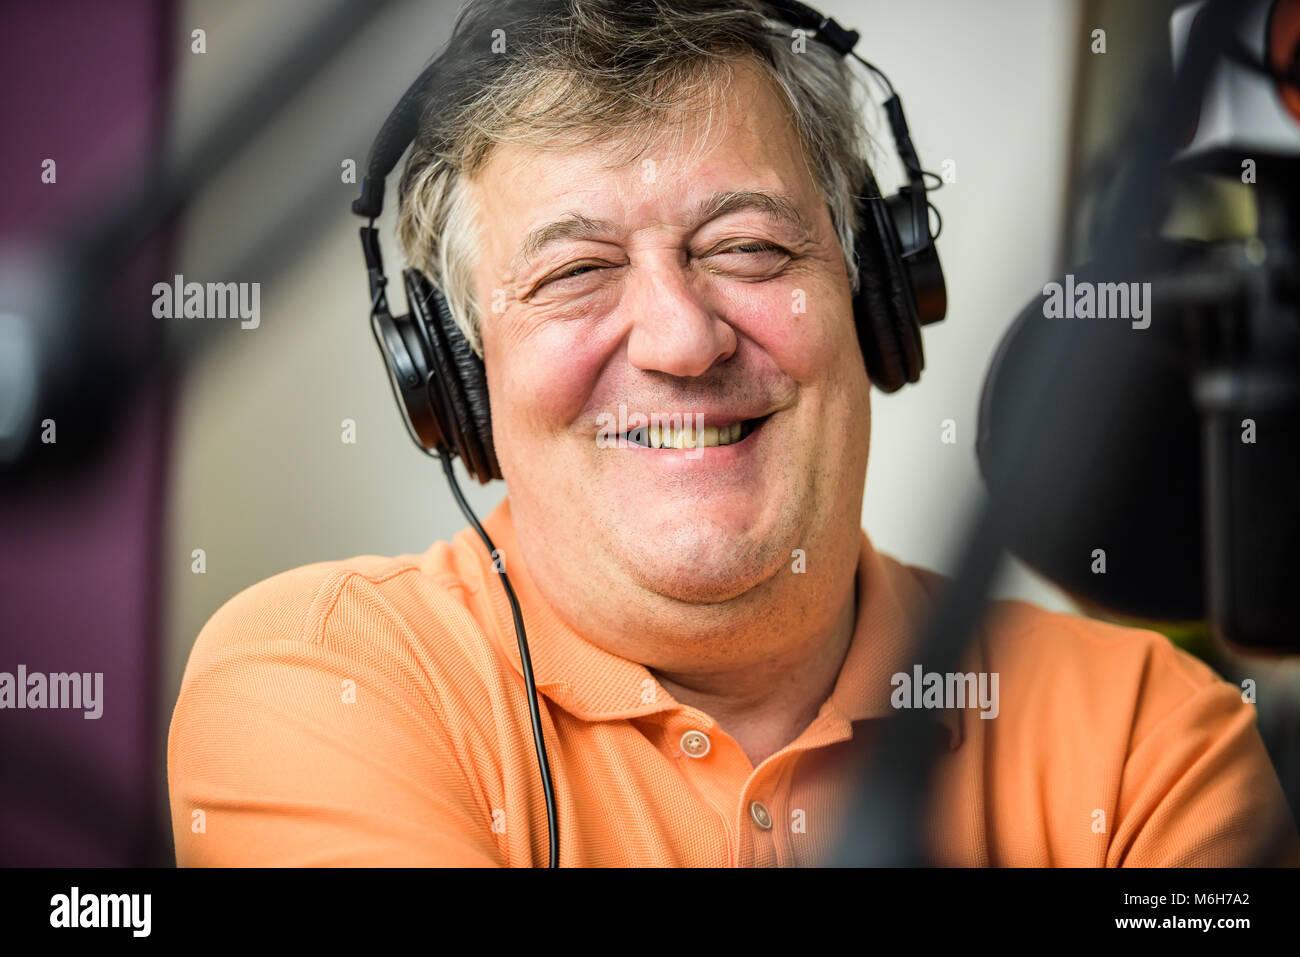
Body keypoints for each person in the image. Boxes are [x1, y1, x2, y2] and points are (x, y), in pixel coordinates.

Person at [168, 0, 1298, 866]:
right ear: (459, 380)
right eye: (573, 273)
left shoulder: (1152, 739)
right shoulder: (323, 680)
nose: (680, 338)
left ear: (876, 300)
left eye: (747, 247)